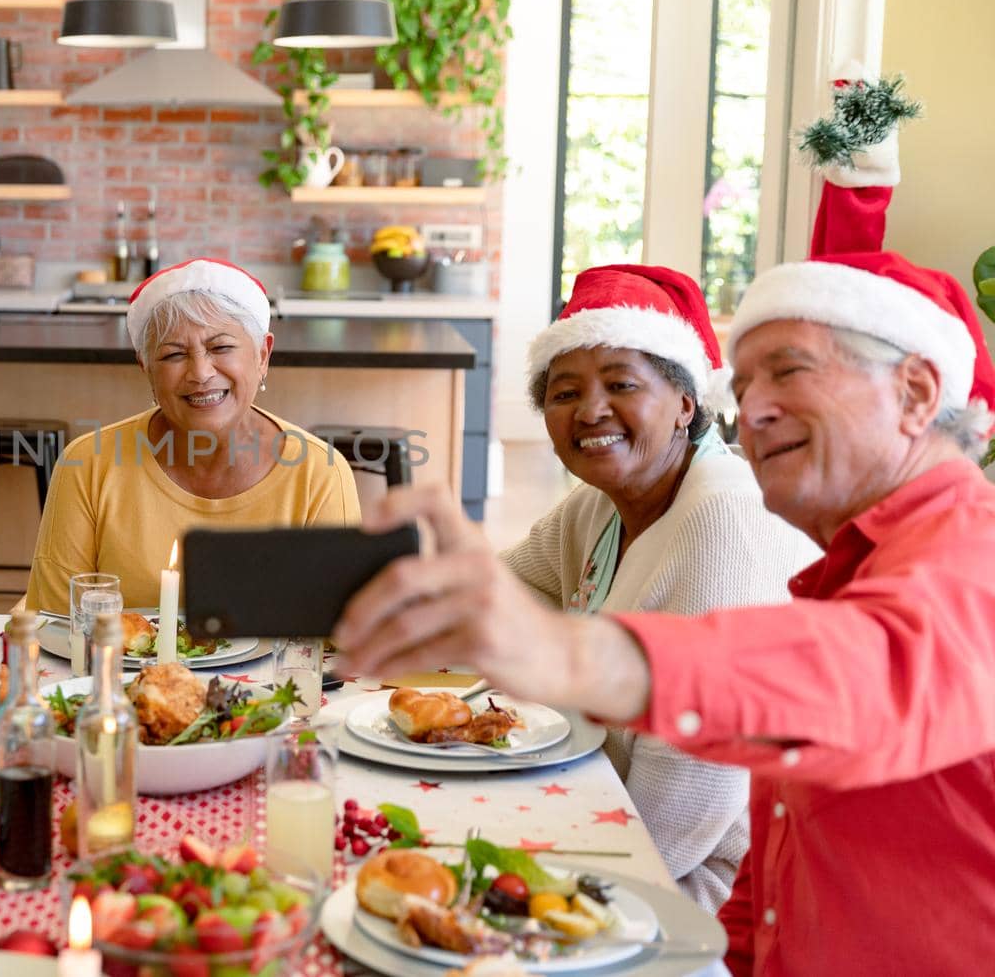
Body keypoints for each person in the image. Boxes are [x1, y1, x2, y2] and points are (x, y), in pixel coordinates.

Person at [333, 250, 995, 976]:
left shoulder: (972, 557)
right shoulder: (844, 567)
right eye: (745, 384)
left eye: (791, 370)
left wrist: (564, 652)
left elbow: (870, 671)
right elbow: (773, 881)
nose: (756, 408)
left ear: (917, 392)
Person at [504, 264, 816, 909]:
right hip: (600, 803)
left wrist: (564, 887)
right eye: (564, 394)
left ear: (684, 404)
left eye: (621, 384)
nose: (590, 411)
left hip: (704, 879)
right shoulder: (598, 504)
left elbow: (698, 784)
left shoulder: (721, 515)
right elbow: (510, 589)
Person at [26, 258, 359, 611]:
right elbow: (55, 621)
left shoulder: (319, 473)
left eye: (220, 348)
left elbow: (341, 636)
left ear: (263, 355)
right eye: (173, 354)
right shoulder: (87, 465)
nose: (200, 373)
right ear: (145, 367)